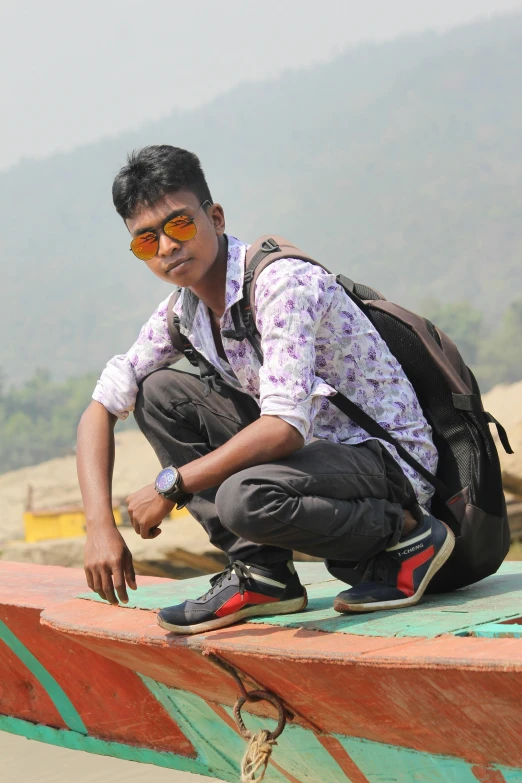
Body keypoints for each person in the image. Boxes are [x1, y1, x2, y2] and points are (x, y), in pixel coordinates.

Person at [77, 145, 454, 635]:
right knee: (158, 392)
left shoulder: (281, 284)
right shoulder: (184, 313)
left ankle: (410, 536)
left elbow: (283, 430)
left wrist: (170, 484)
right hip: (318, 464)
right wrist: (98, 526)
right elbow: (100, 408)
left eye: (180, 225)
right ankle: (263, 575)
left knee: (244, 499)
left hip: (384, 462)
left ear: (214, 217)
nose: (167, 247)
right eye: (147, 241)